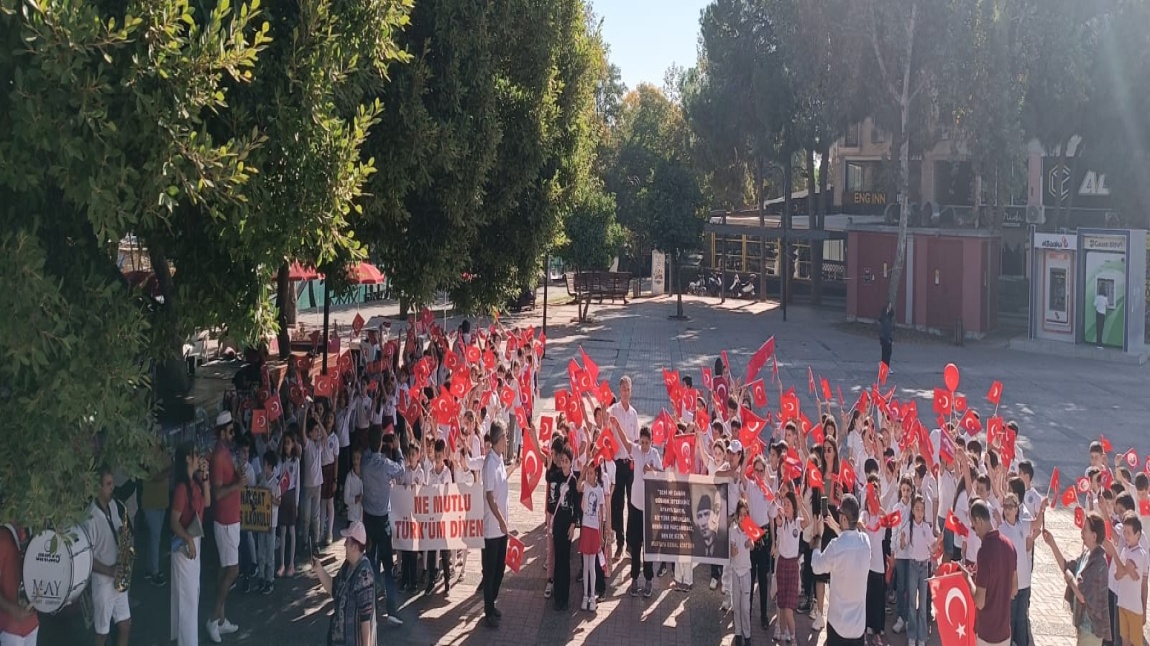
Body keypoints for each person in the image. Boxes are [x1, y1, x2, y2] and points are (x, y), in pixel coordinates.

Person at [1043, 513, 1112, 646]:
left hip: (1092, 629)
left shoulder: (1099, 562)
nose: (1081, 532)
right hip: (1083, 625)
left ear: (1094, 536)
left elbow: (1082, 596)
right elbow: (1067, 566)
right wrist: (1052, 543)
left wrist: (1069, 578)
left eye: (1084, 529)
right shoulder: (1087, 554)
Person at [360, 426, 406, 626]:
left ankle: (370, 609)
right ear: (381, 443)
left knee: (370, 565)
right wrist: (397, 449)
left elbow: (367, 454)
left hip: (368, 520)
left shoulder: (364, 463)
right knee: (387, 567)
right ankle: (392, 609)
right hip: (383, 520)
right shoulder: (386, 464)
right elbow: (401, 470)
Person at [810, 493, 870, 646]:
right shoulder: (865, 543)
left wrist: (818, 536)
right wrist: (835, 527)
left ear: (843, 518)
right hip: (858, 628)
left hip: (838, 626)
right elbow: (850, 540)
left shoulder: (835, 546)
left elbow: (817, 567)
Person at [84, 467, 132, 646]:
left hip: (118, 576)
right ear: (98, 488)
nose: (112, 487)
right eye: (108, 484)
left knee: (125, 624)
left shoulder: (112, 505)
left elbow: (118, 527)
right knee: (102, 634)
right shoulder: (90, 518)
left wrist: (124, 534)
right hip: (103, 583)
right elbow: (87, 558)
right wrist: (110, 570)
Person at [208, 411, 245, 643]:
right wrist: (238, 484)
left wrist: (237, 479)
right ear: (222, 432)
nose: (233, 434)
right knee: (232, 571)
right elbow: (218, 492)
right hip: (225, 521)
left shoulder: (224, 452)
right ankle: (213, 619)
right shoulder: (219, 456)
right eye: (230, 430)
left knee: (225, 569)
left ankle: (220, 620)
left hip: (231, 520)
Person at [170, 442, 211, 646]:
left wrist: (205, 478)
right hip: (186, 543)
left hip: (194, 540)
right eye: (196, 454)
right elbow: (173, 521)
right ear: (187, 458)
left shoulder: (193, 482)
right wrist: (188, 539)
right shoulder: (181, 488)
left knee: (191, 595)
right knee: (188, 600)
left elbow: (208, 502)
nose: (198, 457)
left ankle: (184, 639)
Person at [312, 521, 376, 646]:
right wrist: (319, 569)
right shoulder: (348, 565)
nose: (344, 544)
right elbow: (334, 589)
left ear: (354, 546)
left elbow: (366, 620)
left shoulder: (364, 575)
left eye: (347, 541)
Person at [970, 498, 1017, 646]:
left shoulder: (984, 552)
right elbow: (1014, 589)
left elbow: (979, 601)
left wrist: (968, 579)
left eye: (973, 526)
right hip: (1004, 632)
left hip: (987, 633)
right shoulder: (1010, 545)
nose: (975, 532)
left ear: (978, 521)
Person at [483, 421, 514, 628]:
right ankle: (488, 611)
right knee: (491, 570)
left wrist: (515, 467)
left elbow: (502, 482)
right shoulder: (489, 464)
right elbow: (490, 497)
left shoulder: (500, 459)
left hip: (502, 527)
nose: (507, 440)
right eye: (505, 437)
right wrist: (502, 521)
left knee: (501, 568)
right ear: (498, 439)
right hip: (493, 528)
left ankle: (492, 603)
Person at [607, 376, 639, 559]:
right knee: (618, 504)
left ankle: (630, 544)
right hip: (617, 463)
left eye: (628, 389)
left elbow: (634, 441)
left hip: (630, 463)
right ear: (619, 391)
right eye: (623, 389)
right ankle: (619, 541)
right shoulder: (613, 411)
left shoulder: (634, 413)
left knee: (632, 504)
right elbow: (608, 436)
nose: (626, 392)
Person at [0, 525, 37, 646]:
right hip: (10, 629)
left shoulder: (32, 531)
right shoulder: (3, 538)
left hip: (33, 623)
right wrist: (12, 609)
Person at [578, 463, 606, 612]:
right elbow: (578, 486)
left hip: (594, 530)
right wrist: (583, 471)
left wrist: (601, 535)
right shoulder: (585, 486)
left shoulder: (600, 490)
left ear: (596, 474)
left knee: (592, 566)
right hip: (585, 528)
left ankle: (592, 596)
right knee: (586, 565)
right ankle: (585, 595)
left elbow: (601, 515)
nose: (589, 476)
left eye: (591, 473)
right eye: (587, 473)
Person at [255, 452, 282, 595]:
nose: (263, 466)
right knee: (261, 551)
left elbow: (279, 501)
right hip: (261, 521)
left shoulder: (276, 484)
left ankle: (270, 579)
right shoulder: (262, 480)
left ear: (270, 467)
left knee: (270, 551)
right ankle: (261, 576)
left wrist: (271, 498)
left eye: (264, 464)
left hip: (271, 522)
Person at [729, 501, 754, 646]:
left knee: (745, 607)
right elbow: (732, 551)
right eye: (741, 515)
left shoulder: (749, 529)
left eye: (745, 515)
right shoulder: (733, 530)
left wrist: (749, 543)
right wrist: (735, 549)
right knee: (736, 606)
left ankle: (747, 634)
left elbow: (752, 545)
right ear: (737, 516)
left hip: (746, 572)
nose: (743, 518)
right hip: (735, 571)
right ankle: (738, 633)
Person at [879, 302, 894, 368]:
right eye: (889, 305)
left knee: (888, 352)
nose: (890, 307)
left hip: (887, 337)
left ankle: (885, 366)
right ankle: (885, 367)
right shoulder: (885, 317)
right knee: (886, 353)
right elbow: (885, 329)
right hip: (885, 337)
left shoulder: (889, 317)